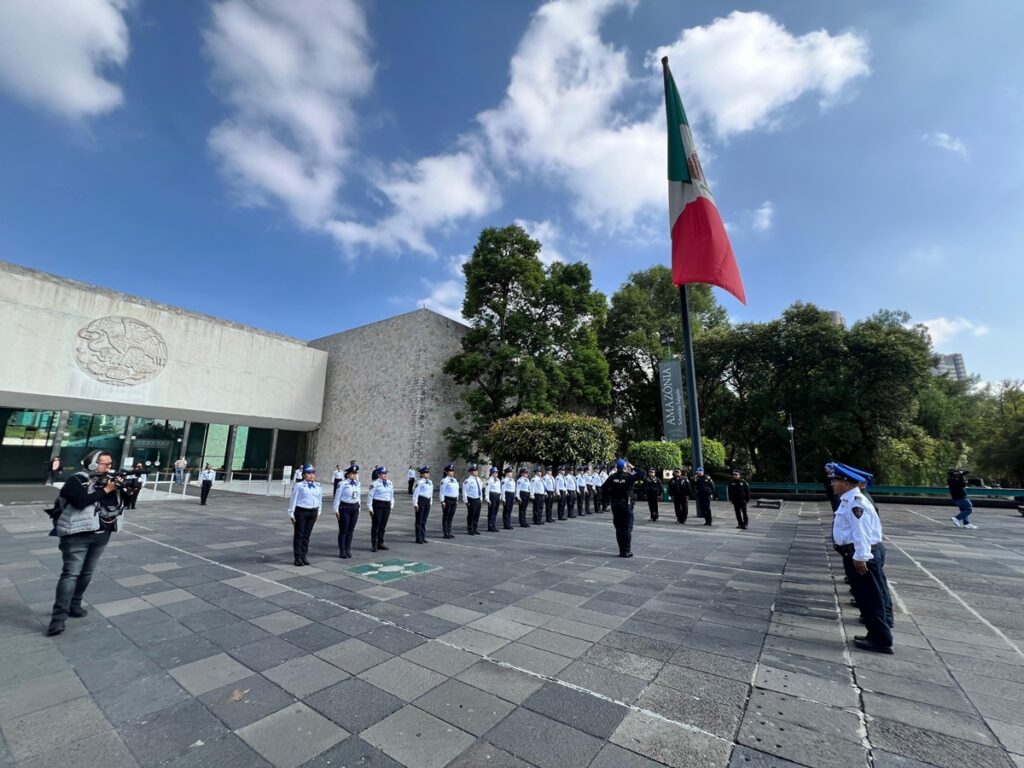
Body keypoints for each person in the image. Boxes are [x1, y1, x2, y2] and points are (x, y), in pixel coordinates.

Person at [46, 450, 121, 636]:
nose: (109, 467)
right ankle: (58, 618)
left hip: (102, 532)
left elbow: (113, 506)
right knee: (71, 574)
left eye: (110, 463)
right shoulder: (76, 480)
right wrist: (105, 490)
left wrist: (125, 489)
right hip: (76, 533)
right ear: (93, 464)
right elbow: (80, 502)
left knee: (87, 572)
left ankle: (75, 604)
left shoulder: (110, 480)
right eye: (105, 463)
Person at [829, 463, 893, 654]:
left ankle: (881, 639)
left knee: (870, 597)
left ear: (846, 483)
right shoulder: (849, 500)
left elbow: (861, 532)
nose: (832, 483)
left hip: (862, 554)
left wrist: (861, 557)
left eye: (836, 480)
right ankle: (874, 634)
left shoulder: (856, 502)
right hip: (857, 552)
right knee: (867, 596)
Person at [601, 459, 646, 557]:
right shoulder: (629, 477)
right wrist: (633, 466)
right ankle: (626, 551)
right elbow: (642, 473)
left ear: (617, 468)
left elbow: (603, 488)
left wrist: (612, 494)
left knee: (619, 529)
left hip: (615, 505)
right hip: (626, 505)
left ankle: (621, 551)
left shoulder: (612, 477)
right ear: (625, 467)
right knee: (627, 529)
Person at [288, 465, 321, 566]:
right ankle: (298, 558)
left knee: (307, 536)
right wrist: (291, 513)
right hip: (301, 511)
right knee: (299, 535)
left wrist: (319, 511)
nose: (311, 475)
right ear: (304, 475)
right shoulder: (299, 486)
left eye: (312, 473)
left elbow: (319, 500)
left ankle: (304, 556)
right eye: (309, 473)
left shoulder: (318, 486)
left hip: (313, 512)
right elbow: (293, 499)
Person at [334, 464, 360, 558]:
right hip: (345, 507)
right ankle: (342, 550)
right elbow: (337, 497)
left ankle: (348, 549)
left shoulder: (357, 483)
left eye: (355, 473)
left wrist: (359, 507)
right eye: (352, 473)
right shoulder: (342, 484)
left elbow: (358, 496)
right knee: (343, 530)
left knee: (350, 530)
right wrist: (336, 510)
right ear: (348, 474)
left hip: (355, 507)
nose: (354, 475)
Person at [367, 465, 394, 552]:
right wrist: (370, 508)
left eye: (386, 473)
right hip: (378, 505)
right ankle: (374, 544)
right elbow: (370, 496)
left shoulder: (389, 483)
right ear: (378, 474)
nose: (385, 475)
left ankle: (380, 543)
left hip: (387, 505)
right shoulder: (374, 484)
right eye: (383, 473)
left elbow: (391, 494)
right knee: (376, 525)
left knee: (383, 525)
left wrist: (392, 504)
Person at [463, 464, 484, 535]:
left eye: (476, 470)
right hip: (471, 499)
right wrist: (466, 501)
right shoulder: (468, 480)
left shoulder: (479, 479)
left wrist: (481, 498)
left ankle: (475, 528)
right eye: (474, 471)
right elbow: (464, 491)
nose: (476, 472)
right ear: (471, 472)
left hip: (478, 499)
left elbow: (480, 490)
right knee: (471, 515)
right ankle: (470, 529)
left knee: (477, 515)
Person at [413, 466, 433, 543]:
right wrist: (415, 503)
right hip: (421, 500)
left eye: (428, 473)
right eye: (425, 473)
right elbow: (415, 493)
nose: (427, 474)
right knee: (419, 520)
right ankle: (418, 538)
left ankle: (423, 536)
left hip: (427, 501)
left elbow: (430, 493)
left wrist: (430, 502)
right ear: (421, 474)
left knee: (424, 520)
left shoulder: (430, 482)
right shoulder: (419, 482)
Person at [440, 464, 460, 539]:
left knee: (451, 516)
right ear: (447, 472)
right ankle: (445, 532)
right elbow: (442, 491)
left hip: (454, 500)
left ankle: (449, 531)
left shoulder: (454, 480)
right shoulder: (444, 480)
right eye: (450, 471)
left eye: (452, 471)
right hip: (447, 500)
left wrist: (457, 499)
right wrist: (442, 501)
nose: (452, 472)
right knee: (446, 516)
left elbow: (457, 491)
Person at [486, 467, 502, 532]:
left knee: (495, 512)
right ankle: (490, 526)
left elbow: (499, 489)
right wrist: (487, 499)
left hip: (497, 496)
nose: (497, 473)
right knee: (491, 512)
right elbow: (487, 490)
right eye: (495, 472)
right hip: (492, 496)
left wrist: (500, 497)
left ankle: (494, 526)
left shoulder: (498, 480)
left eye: (497, 472)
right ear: (492, 473)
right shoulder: (489, 480)